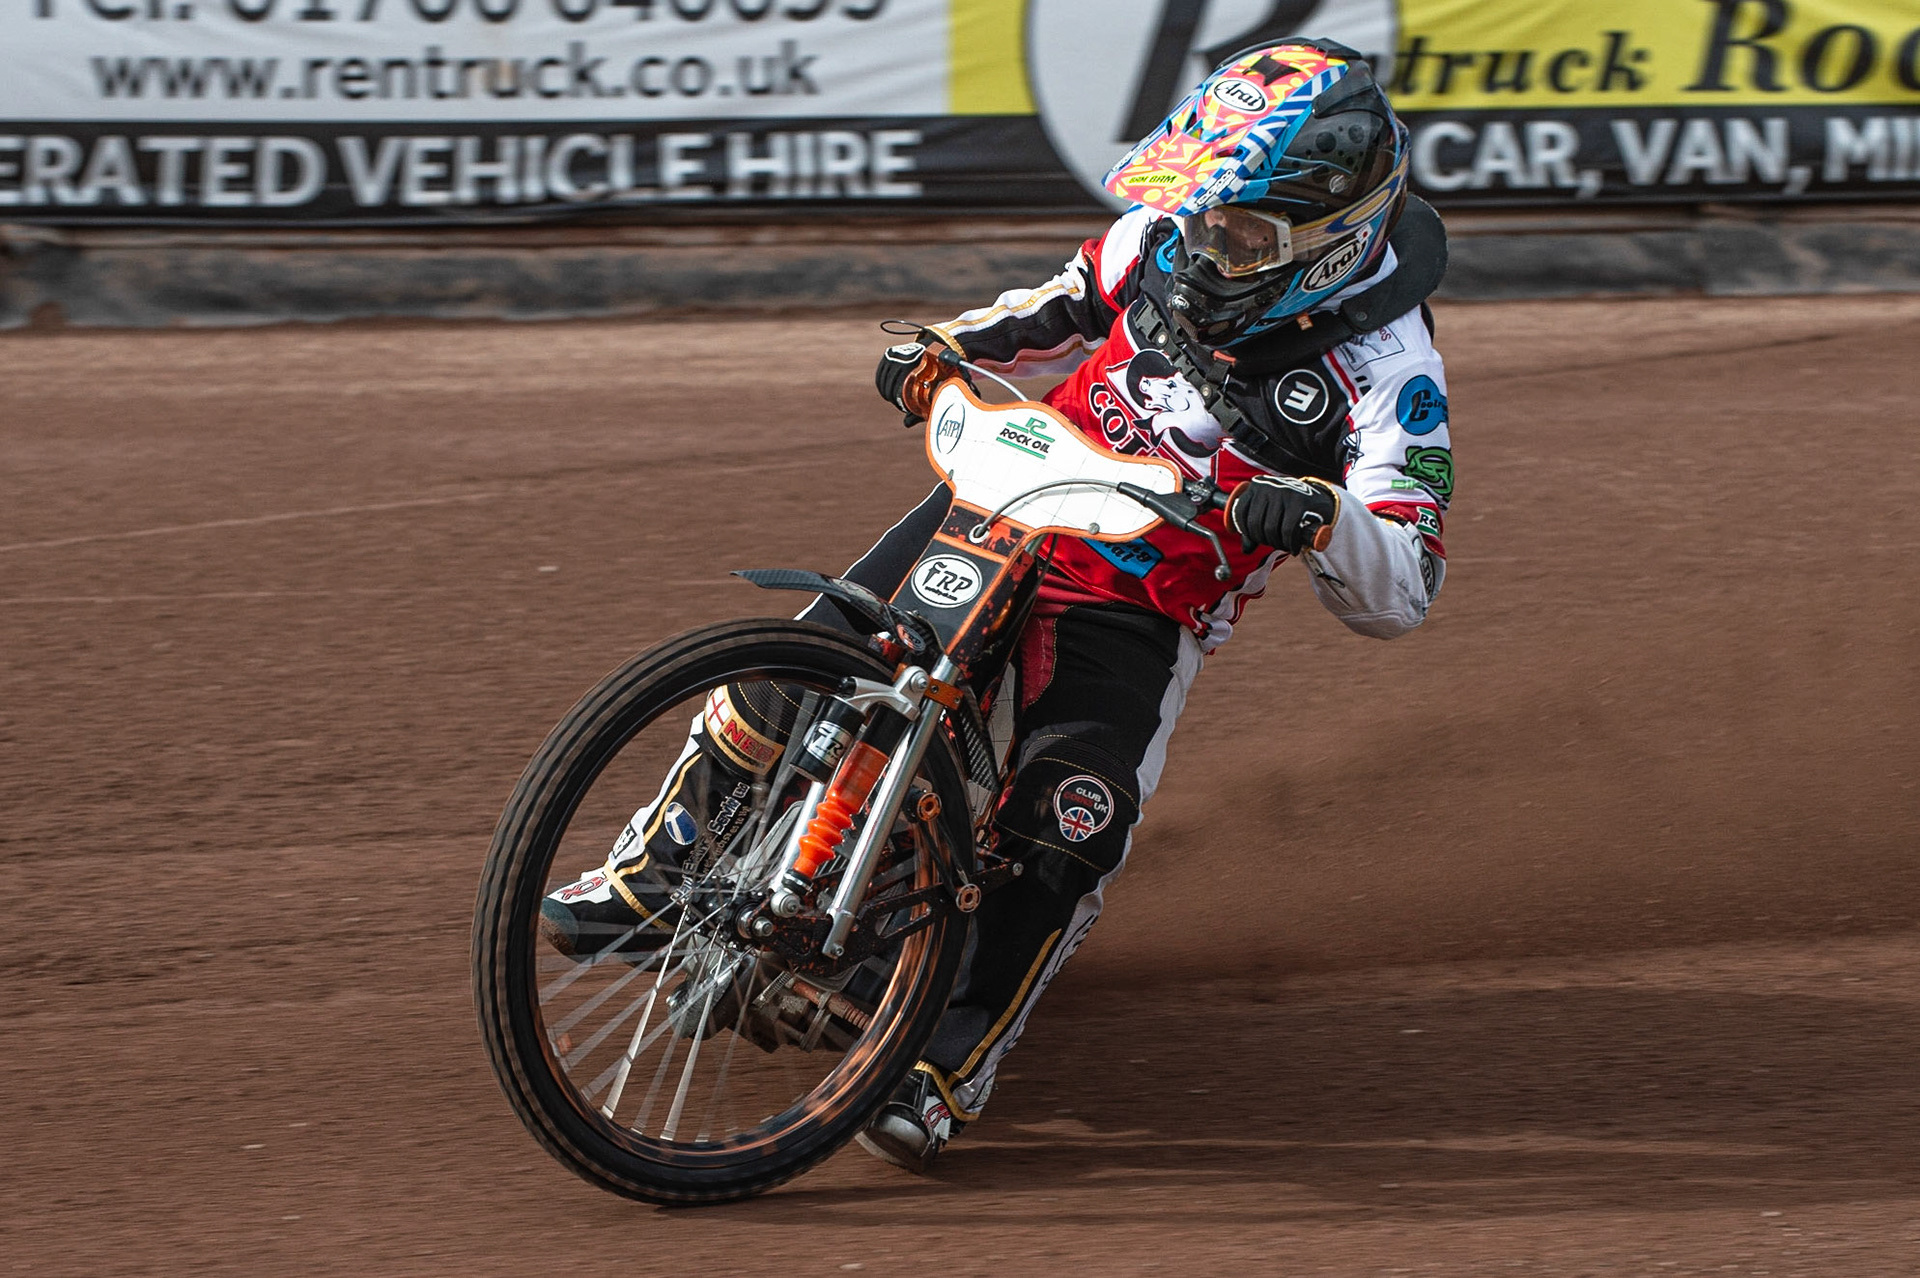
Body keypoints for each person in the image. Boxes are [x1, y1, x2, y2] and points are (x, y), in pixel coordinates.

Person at [541, 37, 1453, 1173]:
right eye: (1205, 219)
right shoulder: (1166, 236)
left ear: (1331, 239)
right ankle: (662, 857)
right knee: (803, 656)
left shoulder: (1390, 375)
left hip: (1137, 591)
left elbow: (1406, 581)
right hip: (1014, 493)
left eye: (1239, 235)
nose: (1204, 247)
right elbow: (1061, 303)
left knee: (1075, 813)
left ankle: (951, 1050)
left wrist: (1318, 516)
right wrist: (943, 344)